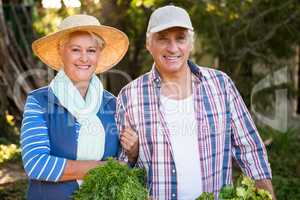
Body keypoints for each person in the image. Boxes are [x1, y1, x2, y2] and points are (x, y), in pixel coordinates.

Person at [117, 5, 276, 200]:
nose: (173, 48)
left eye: (180, 38)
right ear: (149, 44)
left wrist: (267, 195)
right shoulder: (129, 96)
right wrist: (132, 155)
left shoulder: (221, 84)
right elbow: (121, 170)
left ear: (191, 43)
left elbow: (249, 148)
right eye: (163, 39)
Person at [21, 14, 130, 199]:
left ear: (98, 55)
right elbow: (36, 164)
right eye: (75, 50)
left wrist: (132, 150)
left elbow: (124, 163)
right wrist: (102, 167)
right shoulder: (38, 101)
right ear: (61, 52)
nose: (84, 58)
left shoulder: (112, 104)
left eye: (91, 50)